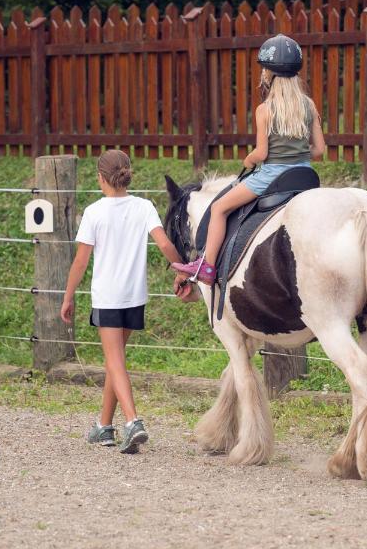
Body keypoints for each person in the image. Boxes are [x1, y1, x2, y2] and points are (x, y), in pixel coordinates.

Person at [60, 149, 191, 453]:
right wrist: (183, 272)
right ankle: (104, 427)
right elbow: (164, 243)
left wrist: (68, 296)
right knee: (115, 362)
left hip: (107, 298)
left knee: (114, 362)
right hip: (135, 297)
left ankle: (133, 422)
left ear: (100, 178)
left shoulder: (94, 212)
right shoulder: (144, 207)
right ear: (127, 174)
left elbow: (80, 262)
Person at [172, 33, 325, 286]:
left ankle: (208, 266)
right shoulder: (308, 105)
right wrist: (296, 155)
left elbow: (262, 153)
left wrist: (249, 160)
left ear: (269, 74)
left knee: (219, 208)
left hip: (272, 176)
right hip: (304, 175)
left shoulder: (264, 110)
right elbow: (319, 149)